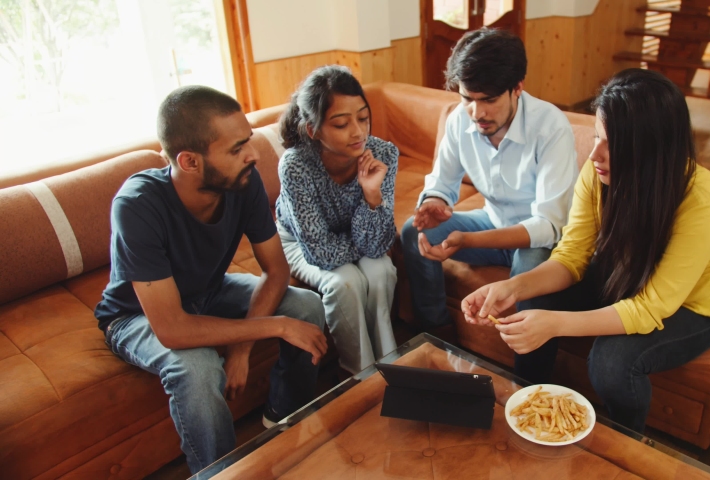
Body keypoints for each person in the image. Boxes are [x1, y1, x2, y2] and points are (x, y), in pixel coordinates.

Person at [461, 69, 710, 434]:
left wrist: (556, 324)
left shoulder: (701, 198)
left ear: (652, 147)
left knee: (611, 364)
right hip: (623, 278)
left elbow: (653, 306)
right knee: (535, 301)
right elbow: (572, 256)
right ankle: (529, 406)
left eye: (612, 143)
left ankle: (626, 446)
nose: (594, 154)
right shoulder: (598, 172)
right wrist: (512, 289)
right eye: (596, 137)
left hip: (691, 306)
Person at [95, 86, 328, 474]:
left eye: (248, 141)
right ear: (189, 161)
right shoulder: (136, 206)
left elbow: (276, 271)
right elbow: (172, 328)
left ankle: (284, 421)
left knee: (305, 305)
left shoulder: (243, 181)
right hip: (136, 316)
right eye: (237, 149)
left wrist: (241, 350)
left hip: (209, 291)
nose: (253, 155)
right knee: (200, 367)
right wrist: (276, 326)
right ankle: (219, 471)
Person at [401, 28, 578, 331]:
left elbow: (549, 226)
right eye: (467, 98)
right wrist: (434, 202)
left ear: (517, 87)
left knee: (530, 268)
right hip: (492, 223)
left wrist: (468, 240)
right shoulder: (460, 118)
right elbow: (442, 183)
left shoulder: (551, 127)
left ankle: (527, 373)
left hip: (540, 242)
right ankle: (436, 336)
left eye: (490, 100)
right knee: (412, 233)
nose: (477, 112)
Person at [275, 66, 398, 374]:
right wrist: (365, 243)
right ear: (312, 130)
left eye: (363, 118)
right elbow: (321, 253)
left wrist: (372, 196)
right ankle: (360, 375)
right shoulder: (295, 165)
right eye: (342, 123)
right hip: (298, 242)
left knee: (381, 270)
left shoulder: (383, 154)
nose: (358, 132)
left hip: (349, 237)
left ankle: (393, 367)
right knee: (346, 282)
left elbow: (381, 245)